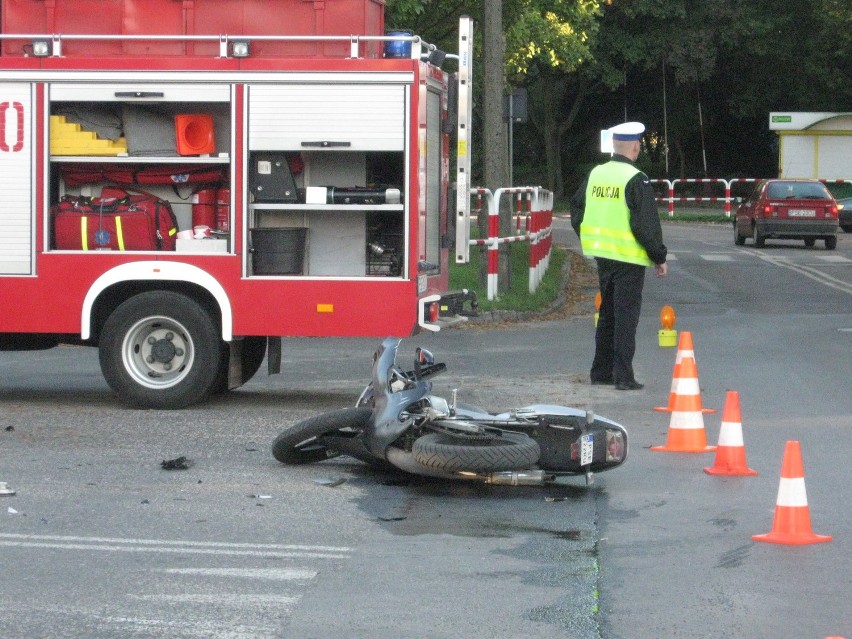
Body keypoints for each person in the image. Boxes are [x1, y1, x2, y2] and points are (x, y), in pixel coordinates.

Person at [570, 121, 668, 390]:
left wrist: (588, 237)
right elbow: (645, 224)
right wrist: (659, 256)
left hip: (603, 254)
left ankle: (600, 372)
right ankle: (624, 376)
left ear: (614, 146)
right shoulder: (636, 179)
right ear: (636, 147)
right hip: (629, 258)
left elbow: (577, 210)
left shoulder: (595, 174)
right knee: (626, 317)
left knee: (607, 315)